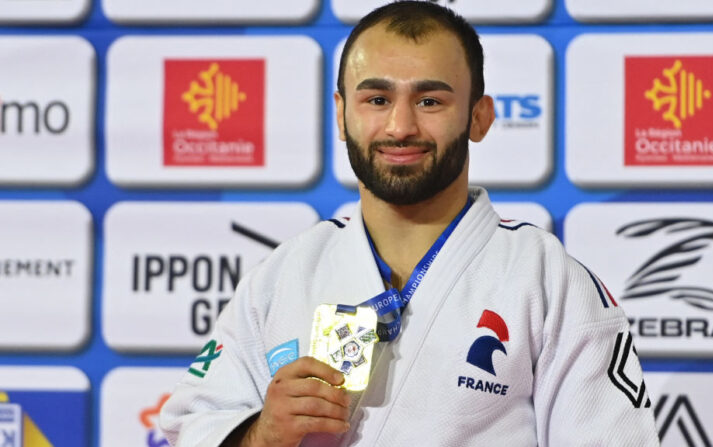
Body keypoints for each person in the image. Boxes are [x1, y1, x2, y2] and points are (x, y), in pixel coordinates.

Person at [160, 2, 661, 446]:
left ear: (480, 117)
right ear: (342, 115)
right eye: (377, 99)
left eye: (430, 101)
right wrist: (264, 434)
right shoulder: (283, 276)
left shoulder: (548, 281)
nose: (400, 126)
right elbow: (193, 424)